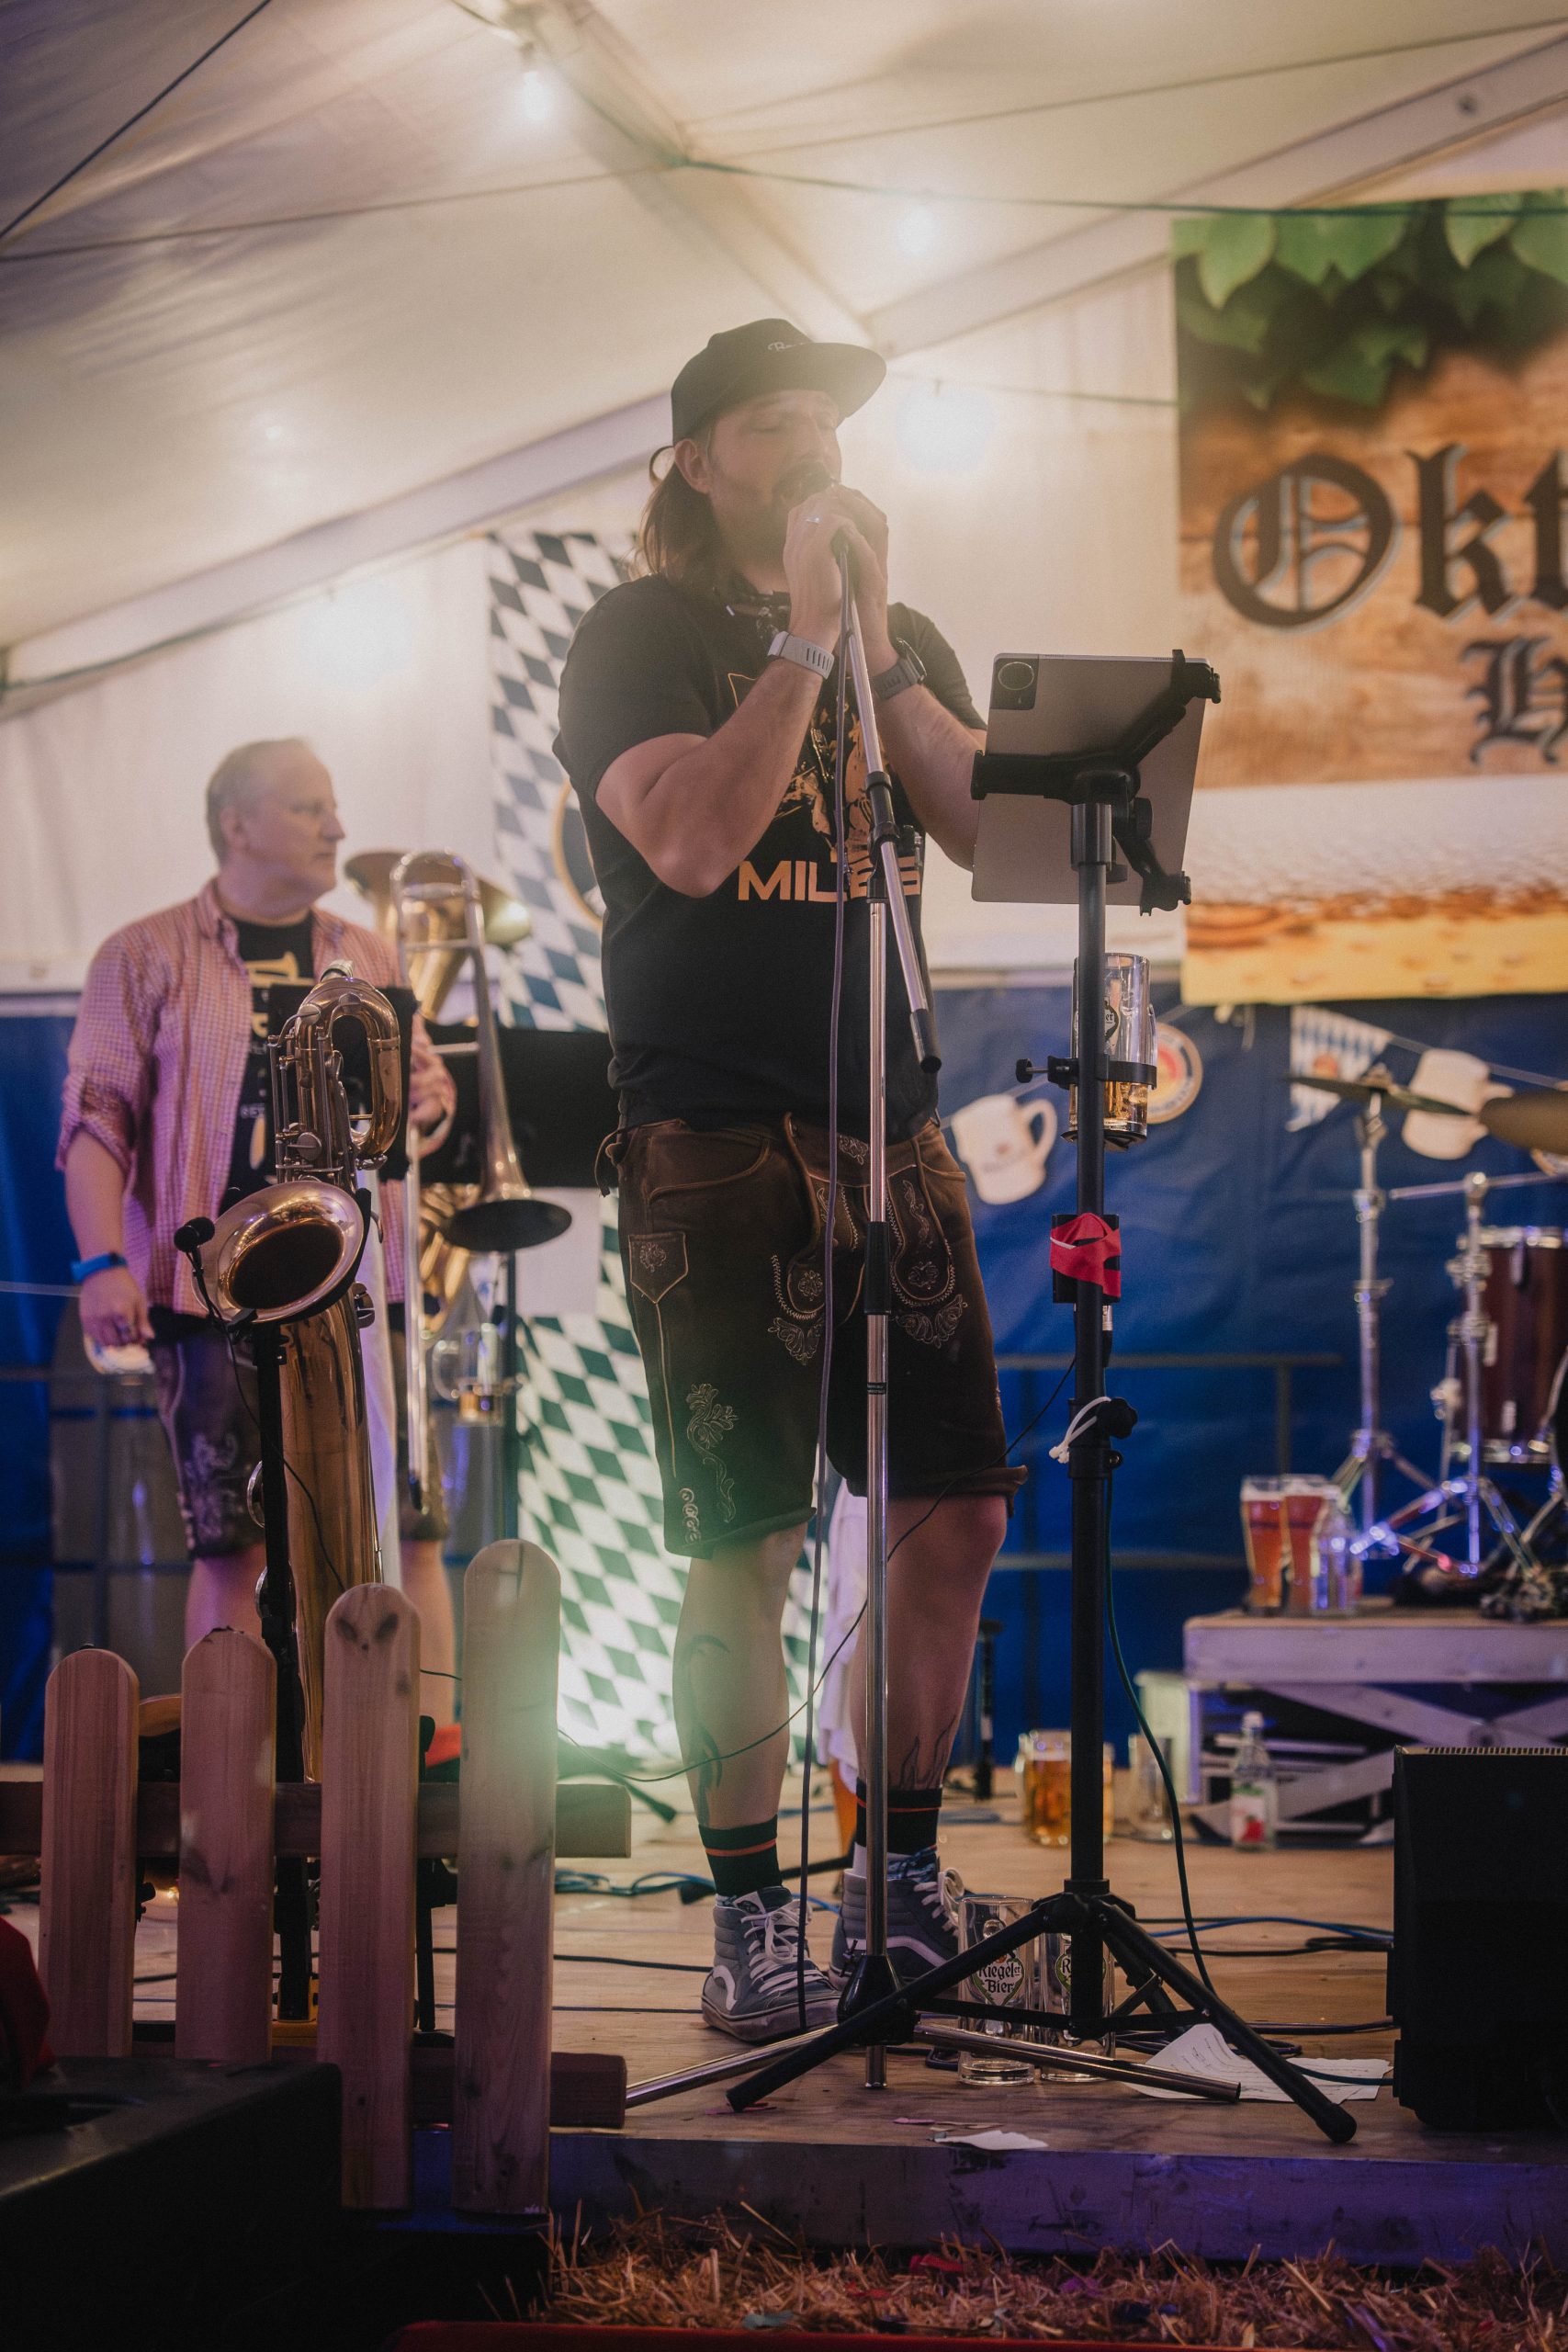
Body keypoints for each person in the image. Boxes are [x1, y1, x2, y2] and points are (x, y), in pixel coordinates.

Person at [557, 320, 1023, 2042]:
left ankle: (893, 1879)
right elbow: (690, 839)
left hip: (889, 1128)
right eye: (774, 421)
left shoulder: (896, 637)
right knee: (742, 1536)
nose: (816, 443)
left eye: (827, 418)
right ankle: (748, 1913)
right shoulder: (640, 634)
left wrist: (878, 646)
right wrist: (805, 644)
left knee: (953, 1507)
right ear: (696, 461)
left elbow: (981, 829)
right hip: (711, 1136)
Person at [58, 738, 459, 1721]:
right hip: (215, 1297)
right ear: (237, 825)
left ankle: (427, 1760)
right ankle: (228, 1781)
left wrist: (428, 1101)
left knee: (411, 1531)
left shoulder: (368, 951)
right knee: (230, 1546)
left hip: (363, 1291)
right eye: (310, 808)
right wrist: (101, 1262)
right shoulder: (141, 953)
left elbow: (424, 1092)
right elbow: (95, 1120)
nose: (339, 828)